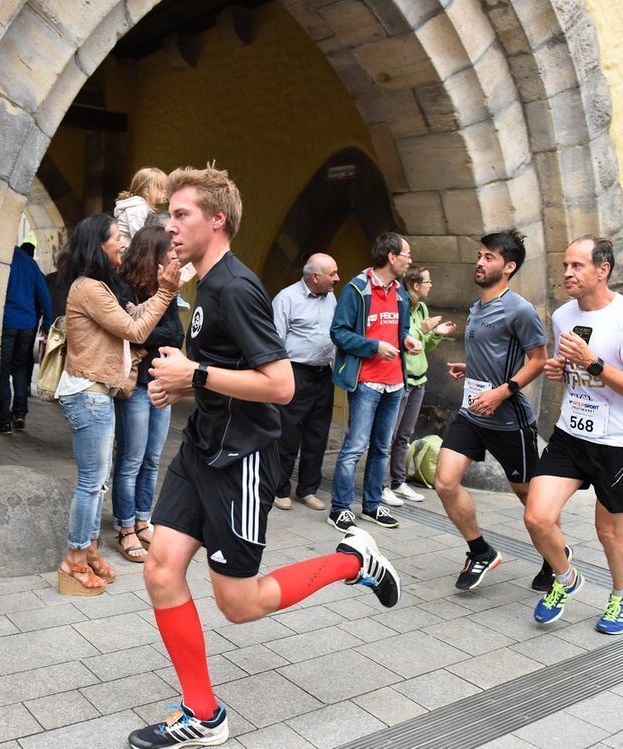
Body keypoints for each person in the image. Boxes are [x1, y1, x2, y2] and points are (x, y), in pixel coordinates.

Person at [128, 165, 402, 749]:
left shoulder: (235, 286)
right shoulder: (205, 283)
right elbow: (230, 374)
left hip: (244, 460)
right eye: (169, 215)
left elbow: (278, 384)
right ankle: (203, 715)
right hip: (203, 448)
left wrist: (195, 371)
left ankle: (355, 562)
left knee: (239, 604)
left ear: (217, 219)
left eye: (182, 215)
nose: (169, 226)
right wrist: (184, 385)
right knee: (160, 569)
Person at [525, 236, 623, 634]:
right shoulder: (563, 315)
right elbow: (571, 369)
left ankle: (621, 595)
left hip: (617, 443)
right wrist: (560, 370)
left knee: (608, 532)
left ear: (603, 269)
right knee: (536, 517)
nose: (567, 273)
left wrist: (593, 364)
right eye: (566, 265)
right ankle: (566, 578)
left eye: (577, 266)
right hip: (572, 433)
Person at [54, 213, 181, 596]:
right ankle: (73, 562)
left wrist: (163, 292)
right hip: (88, 395)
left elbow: (133, 317)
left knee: (99, 481)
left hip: (98, 393)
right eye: (116, 238)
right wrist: (164, 293)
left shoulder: (98, 286)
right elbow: (137, 331)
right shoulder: (90, 288)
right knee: (92, 483)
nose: (122, 243)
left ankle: (90, 551)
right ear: (99, 244)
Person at [434, 230, 548, 591]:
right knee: (445, 482)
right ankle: (480, 551)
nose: (480, 262)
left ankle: (555, 557)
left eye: (489, 257)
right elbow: (495, 354)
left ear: (509, 266)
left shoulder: (520, 309)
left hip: (509, 419)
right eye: (480, 255)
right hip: (472, 413)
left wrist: (502, 391)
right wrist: (471, 370)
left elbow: (538, 360)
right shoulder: (478, 305)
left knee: (529, 498)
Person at [328, 233, 421, 532]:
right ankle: (339, 509)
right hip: (367, 381)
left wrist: (406, 340)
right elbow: (338, 332)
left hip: (395, 382)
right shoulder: (356, 289)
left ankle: (371, 506)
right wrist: (373, 346)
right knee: (355, 447)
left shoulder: (401, 293)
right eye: (406, 254)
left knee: (382, 448)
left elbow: (400, 329)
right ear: (391, 257)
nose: (410, 260)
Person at [111, 226, 185, 562]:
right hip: (136, 383)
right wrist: (152, 332)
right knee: (131, 460)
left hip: (162, 383)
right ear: (153, 251)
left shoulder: (165, 287)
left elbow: (176, 334)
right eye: (169, 249)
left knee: (153, 459)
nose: (175, 254)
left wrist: (150, 330)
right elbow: (133, 336)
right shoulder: (122, 285)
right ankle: (125, 528)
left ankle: (143, 520)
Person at [271, 252, 339, 511]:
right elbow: (276, 341)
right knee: (287, 435)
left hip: (323, 374)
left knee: (318, 435)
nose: (337, 278)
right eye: (332, 274)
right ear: (315, 276)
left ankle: (308, 489)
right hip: (295, 372)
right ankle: (280, 489)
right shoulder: (287, 299)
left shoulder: (331, 297)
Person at [382, 266, 456, 505]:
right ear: (415, 285)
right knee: (389, 434)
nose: (431, 285)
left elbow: (423, 346)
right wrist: (421, 329)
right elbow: (400, 337)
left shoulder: (422, 308)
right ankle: (381, 485)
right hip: (400, 378)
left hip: (418, 379)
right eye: (427, 281)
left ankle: (398, 482)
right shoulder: (400, 304)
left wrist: (436, 334)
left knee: (404, 434)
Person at [0, 240, 54, 434]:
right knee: (21, 367)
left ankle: (4, 420)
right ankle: (20, 413)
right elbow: (44, 294)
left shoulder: (3, 259)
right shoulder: (30, 263)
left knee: (3, 372)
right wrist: (47, 322)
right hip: (28, 324)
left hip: (6, 323)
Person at [114, 167, 168, 250]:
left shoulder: (141, 206)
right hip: (125, 252)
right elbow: (139, 237)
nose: (165, 192)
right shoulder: (138, 208)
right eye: (161, 188)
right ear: (146, 191)